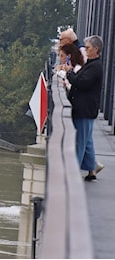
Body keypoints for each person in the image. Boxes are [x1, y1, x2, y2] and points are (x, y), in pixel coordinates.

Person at [64, 35, 104, 181]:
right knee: (87, 141)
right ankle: (91, 169)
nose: (85, 50)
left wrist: (68, 73)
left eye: (87, 48)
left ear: (96, 49)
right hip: (85, 108)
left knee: (80, 142)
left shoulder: (95, 67)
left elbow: (81, 82)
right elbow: (80, 79)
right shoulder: (91, 65)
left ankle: (73, 173)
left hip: (84, 110)